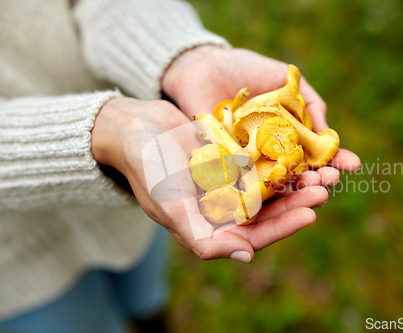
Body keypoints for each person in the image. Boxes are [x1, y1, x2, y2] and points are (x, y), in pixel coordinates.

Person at [0, 0, 361, 332]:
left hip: (130, 205)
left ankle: (154, 317)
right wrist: (103, 132)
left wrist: (185, 57)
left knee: (148, 292)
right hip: (18, 262)